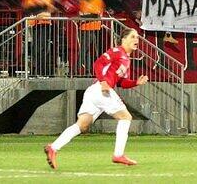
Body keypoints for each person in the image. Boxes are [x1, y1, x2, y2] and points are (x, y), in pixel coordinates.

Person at [44, 28, 149, 169]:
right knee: (125, 118)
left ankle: (53, 147)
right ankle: (118, 154)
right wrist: (103, 82)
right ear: (123, 39)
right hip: (101, 90)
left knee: (82, 124)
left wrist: (136, 82)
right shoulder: (116, 51)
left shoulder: (126, 60)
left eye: (137, 37)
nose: (136, 40)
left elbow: (121, 83)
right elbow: (98, 64)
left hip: (94, 92)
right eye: (133, 36)